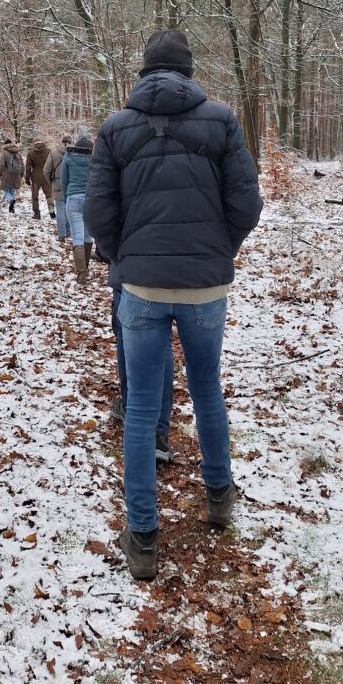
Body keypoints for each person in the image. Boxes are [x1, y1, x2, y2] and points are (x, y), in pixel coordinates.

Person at [85, 30, 263, 581]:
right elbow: (247, 204)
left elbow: (97, 211)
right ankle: (219, 498)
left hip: (141, 286)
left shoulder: (116, 128)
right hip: (205, 287)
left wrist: (124, 257)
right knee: (207, 389)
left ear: (144, 72)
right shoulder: (222, 121)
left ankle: (142, 537)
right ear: (188, 72)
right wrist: (219, 252)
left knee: (141, 407)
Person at [111, 283, 175, 464]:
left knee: (127, 328)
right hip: (180, 282)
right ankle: (158, 431)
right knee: (162, 341)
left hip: (132, 277)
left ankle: (131, 409)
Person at [60, 125, 94, 284]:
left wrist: (66, 197)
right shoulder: (96, 156)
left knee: (77, 237)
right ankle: (85, 268)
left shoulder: (69, 154)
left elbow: (64, 179)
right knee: (88, 236)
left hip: (73, 198)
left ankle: (81, 273)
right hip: (91, 199)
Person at [44, 134, 72, 243]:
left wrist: (51, 182)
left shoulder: (53, 153)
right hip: (71, 183)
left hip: (58, 183)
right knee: (69, 209)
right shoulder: (74, 153)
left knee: (60, 210)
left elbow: (46, 170)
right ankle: (69, 231)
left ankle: (62, 234)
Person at [25, 137, 55, 220]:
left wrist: (27, 178)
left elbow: (28, 167)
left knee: (35, 196)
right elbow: (53, 164)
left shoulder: (31, 153)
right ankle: (51, 209)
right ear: (41, 142)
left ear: (34, 143)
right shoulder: (49, 151)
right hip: (47, 176)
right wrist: (52, 175)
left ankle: (36, 214)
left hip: (36, 177)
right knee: (49, 195)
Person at [0, 138, 23, 214]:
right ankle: (12, 209)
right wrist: (21, 175)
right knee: (12, 190)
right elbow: (22, 165)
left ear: (5, 145)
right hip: (16, 174)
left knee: (5, 190)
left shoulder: (4, 152)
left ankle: (11, 200)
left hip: (7, 174)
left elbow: (1, 165)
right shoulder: (18, 152)